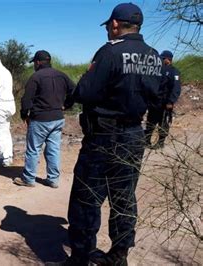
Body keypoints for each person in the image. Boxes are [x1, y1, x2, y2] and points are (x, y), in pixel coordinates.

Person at [63, 3, 162, 265]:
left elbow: (85, 93)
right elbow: (158, 98)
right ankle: (119, 257)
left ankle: (80, 258)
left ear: (116, 24)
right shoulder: (153, 56)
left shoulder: (110, 52)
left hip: (103, 138)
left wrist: (87, 76)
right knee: (123, 197)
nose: (108, 29)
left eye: (109, 25)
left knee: (86, 197)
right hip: (133, 135)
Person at [13, 50, 75, 188]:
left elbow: (26, 99)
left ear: (38, 62)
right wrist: (67, 105)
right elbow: (75, 91)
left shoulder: (36, 77)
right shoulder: (62, 75)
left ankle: (28, 179)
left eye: (34, 63)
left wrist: (25, 115)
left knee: (34, 149)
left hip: (40, 119)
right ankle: (53, 179)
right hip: (58, 118)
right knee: (53, 149)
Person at [145, 50, 181, 149]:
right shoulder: (158, 70)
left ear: (168, 60)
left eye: (163, 58)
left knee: (163, 123)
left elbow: (176, 88)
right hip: (155, 102)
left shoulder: (174, 72)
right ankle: (147, 141)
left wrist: (171, 101)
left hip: (166, 103)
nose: (161, 60)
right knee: (150, 122)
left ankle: (160, 143)